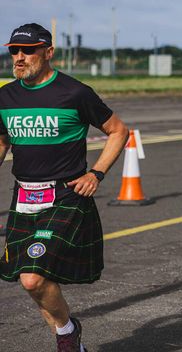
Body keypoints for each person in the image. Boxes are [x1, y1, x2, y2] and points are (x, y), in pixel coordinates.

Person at [0, 23, 129, 352]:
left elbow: (118, 131)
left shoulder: (75, 93)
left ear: (48, 52)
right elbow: (2, 140)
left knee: (33, 277)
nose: (19, 57)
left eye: (27, 50)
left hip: (65, 196)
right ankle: (70, 338)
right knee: (34, 283)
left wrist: (96, 173)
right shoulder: (5, 97)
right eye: (14, 50)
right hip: (23, 197)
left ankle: (67, 335)